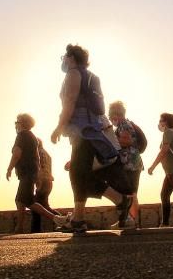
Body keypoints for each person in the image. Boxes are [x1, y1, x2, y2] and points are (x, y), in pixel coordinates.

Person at [49, 44, 134, 233]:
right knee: (82, 174)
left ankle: (80, 219)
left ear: (71, 57)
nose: (63, 59)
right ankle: (118, 201)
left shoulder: (73, 73)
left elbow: (70, 102)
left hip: (83, 131)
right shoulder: (90, 75)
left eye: (64, 56)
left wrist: (58, 127)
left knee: (78, 174)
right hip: (92, 129)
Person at [6, 113, 62, 233]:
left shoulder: (21, 135)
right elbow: (36, 158)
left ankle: (57, 219)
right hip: (31, 174)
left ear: (22, 124)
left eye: (17, 122)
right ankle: (19, 228)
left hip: (26, 174)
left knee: (29, 201)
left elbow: (16, 153)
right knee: (20, 200)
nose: (16, 125)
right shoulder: (32, 138)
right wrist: (37, 176)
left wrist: (9, 168)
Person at [108, 100, 146, 228]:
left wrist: (110, 137)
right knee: (131, 192)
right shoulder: (126, 124)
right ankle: (129, 220)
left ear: (116, 114)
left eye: (111, 115)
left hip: (130, 163)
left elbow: (126, 141)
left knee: (130, 192)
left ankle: (130, 220)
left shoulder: (123, 125)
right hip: (133, 162)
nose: (111, 118)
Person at [29, 138, 54, 233]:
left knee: (35, 206)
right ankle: (65, 220)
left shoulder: (37, 153)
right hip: (49, 181)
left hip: (42, 182)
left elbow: (39, 168)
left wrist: (38, 182)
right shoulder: (47, 154)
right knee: (45, 206)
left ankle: (35, 230)